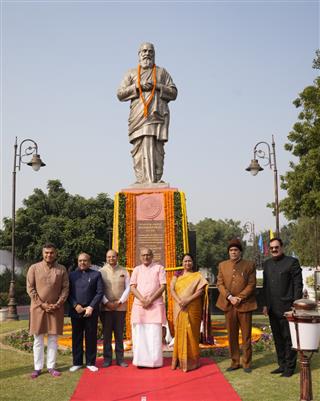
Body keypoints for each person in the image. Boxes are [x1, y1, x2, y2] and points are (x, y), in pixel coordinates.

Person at [117, 42, 178, 184]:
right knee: (139, 149)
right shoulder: (131, 73)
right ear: (139, 55)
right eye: (144, 51)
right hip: (138, 117)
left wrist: (157, 86)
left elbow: (174, 92)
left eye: (150, 51)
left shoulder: (162, 72)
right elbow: (120, 93)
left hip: (157, 117)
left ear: (154, 54)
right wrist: (137, 86)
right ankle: (142, 180)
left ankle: (155, 179)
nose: (147, 53)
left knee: (157, 149)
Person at [26, 243, 69, 379]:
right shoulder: (34, 268)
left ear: (55, 253)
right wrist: (42, 304)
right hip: (38, 308)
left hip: (56, 309)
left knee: (53, 338)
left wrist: (58, 303)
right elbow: (30, 288)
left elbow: (65, 288)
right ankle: (37, 368)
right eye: (46, 253)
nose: (49, 255)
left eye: (51, 252)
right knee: (38, 339)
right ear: (42, 253)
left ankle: (51, 366)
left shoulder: (61, 269)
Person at [262, 237, 303, 377]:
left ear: (282, 247)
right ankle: (282, 365)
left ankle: (290, 368)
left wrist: (295, 305)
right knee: (278, 338)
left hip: (287, 308)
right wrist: (265, 305)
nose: (274, 249)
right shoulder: (266, 264)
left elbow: (298, 285)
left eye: (276, 247)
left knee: (288, 338)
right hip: (272, 308)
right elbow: (265, 287)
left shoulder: (292, 262)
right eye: (272, 248)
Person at [216, 239, 257, 373]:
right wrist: (229, 297)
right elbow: (219, 284)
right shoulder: (222, 265)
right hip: (228, 305)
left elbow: (251, 284)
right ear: (229, 252)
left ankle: (246, 363)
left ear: (240, 252)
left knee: (246, 335)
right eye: (231, 250)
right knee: (232, 335)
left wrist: (239, 297)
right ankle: (235, 362)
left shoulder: (249, 265)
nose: (233, 252)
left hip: (244, 304)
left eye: (236, 250)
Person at [170, 253, 211, 372]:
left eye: (189, 261)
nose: (187, 263)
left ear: (193, 263)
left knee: (192, 334)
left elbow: (200, 291)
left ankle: (192, 361)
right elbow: (172, 289)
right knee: (180, 333)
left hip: (193, 308)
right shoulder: (177, 276)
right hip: (179, 308)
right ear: (182, 263)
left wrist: (187, 300)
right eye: (185, 261)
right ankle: (180, 361)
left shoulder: (197, 276)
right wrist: (180, 301)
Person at [130, 248, 166, 367]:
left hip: (155, 306)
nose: (146, 257)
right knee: (140, 334)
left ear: (152, 256)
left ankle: (154, 362)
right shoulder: (136, 269)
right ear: (140, 257)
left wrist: (150, 299)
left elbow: (162, 286)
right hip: (140, 306)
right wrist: (142, 299)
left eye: (148, 255)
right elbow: (132, 287)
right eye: (143, 255)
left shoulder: (159, 268)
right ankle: (140, 361)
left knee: (154, 334)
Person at [68, 253, 104, 373]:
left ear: (89, 262)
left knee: (91, 337)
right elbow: (68, 292)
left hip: (90, 312)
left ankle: (90, 362)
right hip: (76, 311)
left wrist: (91, 307)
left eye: (85, 260)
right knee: (76, 337)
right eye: (80, 260)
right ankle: (77, 362)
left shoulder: (96, 275)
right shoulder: (72, 275)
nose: (82, 263)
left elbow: (99, 292)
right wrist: (75, 305)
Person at [100, 249, 130, 368]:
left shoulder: (124, 271)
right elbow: (99, 290)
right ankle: (107, 359)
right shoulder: (101, 272)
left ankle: (120, 359)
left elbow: (128, 288)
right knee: (107, 335)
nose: (111, 259)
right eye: (108, 257)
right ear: (106, 258)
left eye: (113, 257)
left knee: (119, 334)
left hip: (120, 308)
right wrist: (106, 302)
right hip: (105, 308)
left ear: (117, 257)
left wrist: (119, 302)